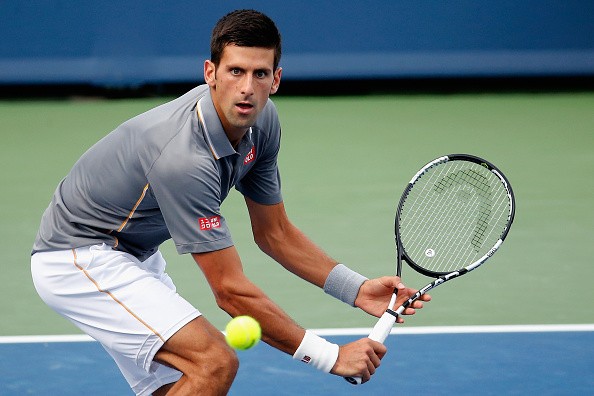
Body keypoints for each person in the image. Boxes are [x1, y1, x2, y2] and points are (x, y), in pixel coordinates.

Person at [31, 9, 430, 396]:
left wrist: (356, 290)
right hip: (78, 257)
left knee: (182, 384)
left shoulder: (263, 122)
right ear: (210, 74)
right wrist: (331, 356)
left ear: (276, 80)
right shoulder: (184, 159)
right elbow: (229, 291)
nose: (246, 87)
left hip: (134, 252)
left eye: (259, 74)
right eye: (235, 71)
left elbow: (275, 233)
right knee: (213, 362)